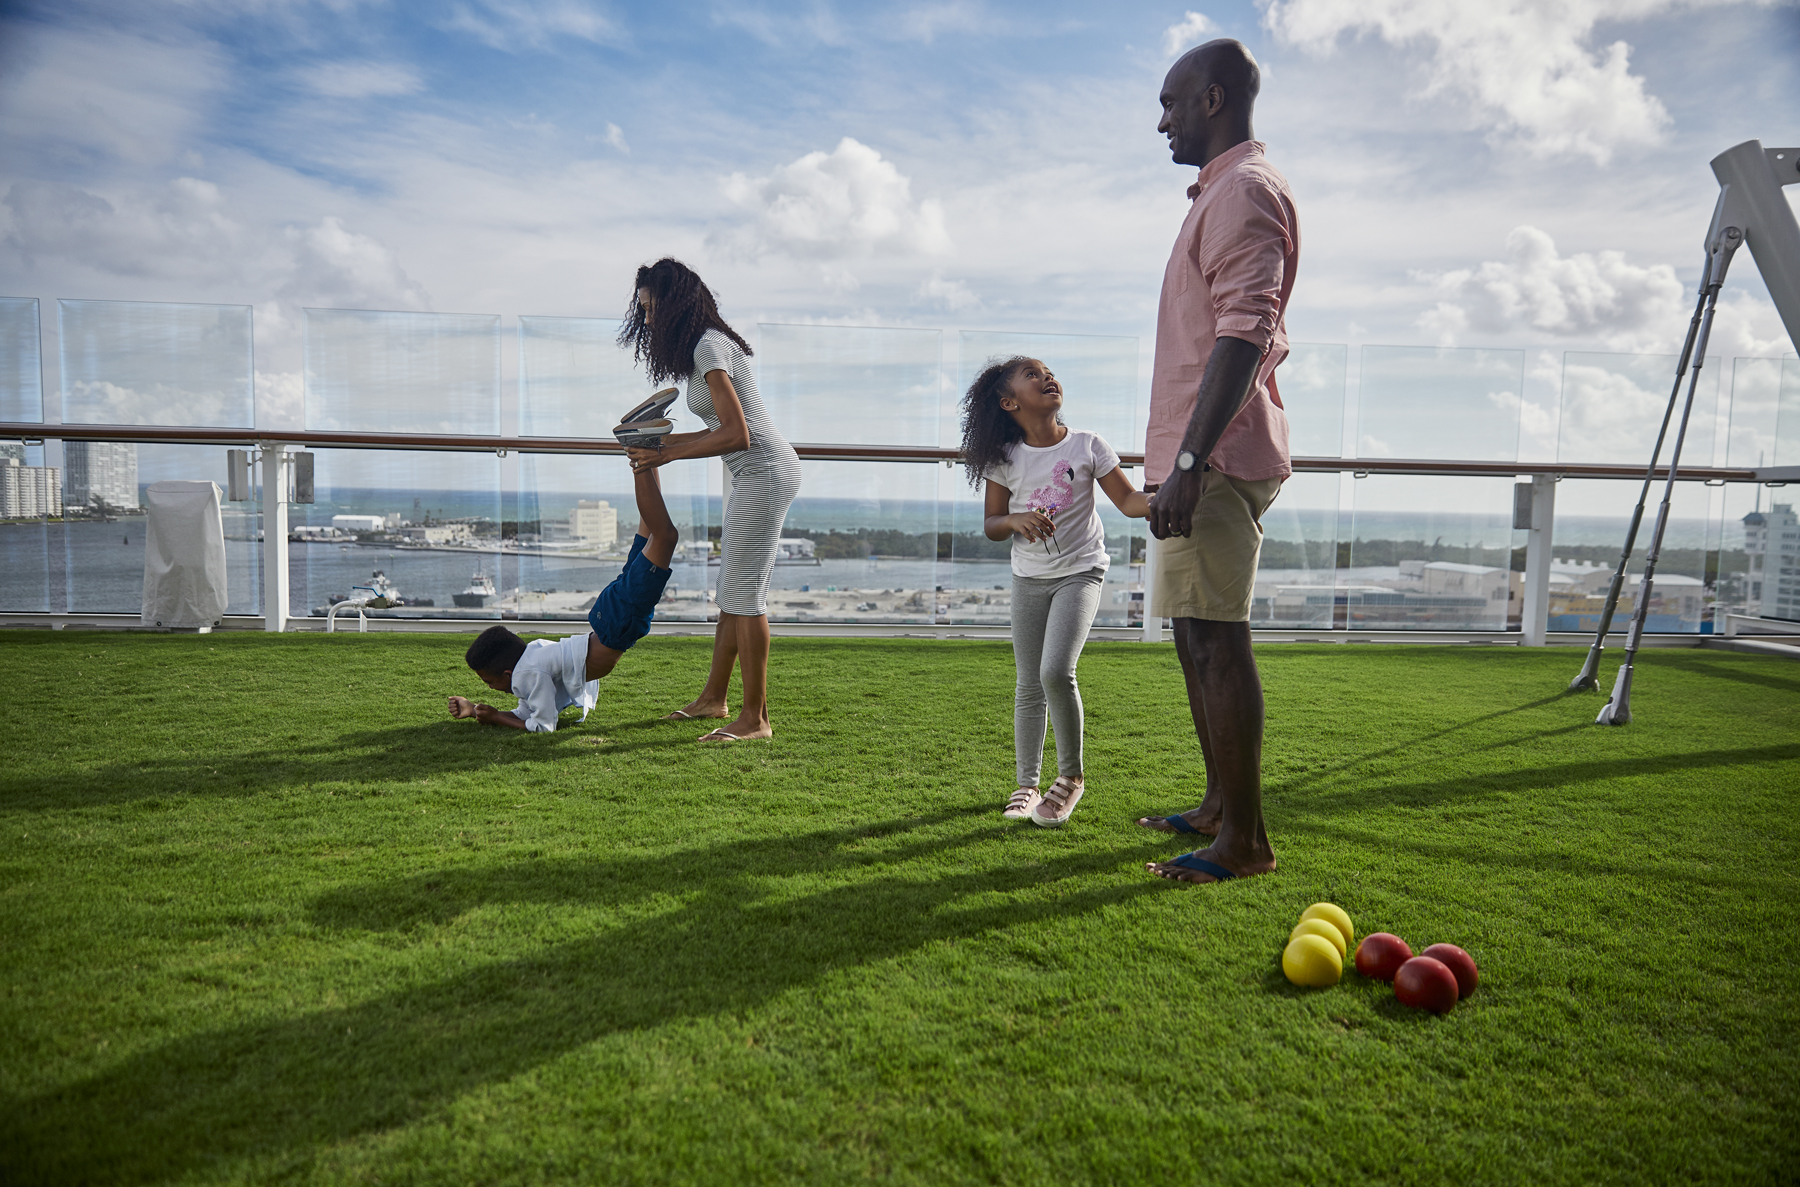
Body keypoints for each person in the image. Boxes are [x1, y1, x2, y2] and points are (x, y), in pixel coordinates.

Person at [1138, 39, 1299, 884]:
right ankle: (1216, 807)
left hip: (1216, 459)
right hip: (1192, 459)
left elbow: (1247, 328)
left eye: (1170, 103)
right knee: (1195, 635)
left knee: (1218, 641)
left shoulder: (1242, 192)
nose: (1160, 122)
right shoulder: (1218, 194)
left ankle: (1244, 841)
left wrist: (1193, 458)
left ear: (1213, 98)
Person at [960, 356, 1152, 828]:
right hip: (1029, 579)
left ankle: (1070, 780)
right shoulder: (1004, 459)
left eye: (1047, 372)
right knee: (1028, 684)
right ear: (1009, 403)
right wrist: (1014, 520)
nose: (1047, 377)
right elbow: (991, 525)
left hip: (1081, 572)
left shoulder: (1088, 445)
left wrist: (1172, 496)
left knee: (1055, 671)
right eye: (1032, 375)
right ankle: (1026, 785)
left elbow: (1129, 502)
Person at [619, 258, 802, 743]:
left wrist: (669, 455)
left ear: (674, 301)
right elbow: (720, 430)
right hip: (756, 473)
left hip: (764, 470)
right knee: (733, 593)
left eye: (651, 307)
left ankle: (755, 719)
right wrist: (661, 448)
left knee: (746, 596)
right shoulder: (705, 346)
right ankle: (713, 699)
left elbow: (738, 434)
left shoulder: (708, 346)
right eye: (642, 309)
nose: (647, 319)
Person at [448, 464, 677, 731]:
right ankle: (647, 457)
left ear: (508, 674)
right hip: (610, 617)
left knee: (665, 535)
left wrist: (497, 717)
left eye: (488, 682)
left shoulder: (526, 674)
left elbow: (544, 725)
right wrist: (475, 709)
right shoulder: (530, 660)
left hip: (618, 622)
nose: (489, 687)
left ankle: (642, 453)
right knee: (650, 530)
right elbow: (529, 710)